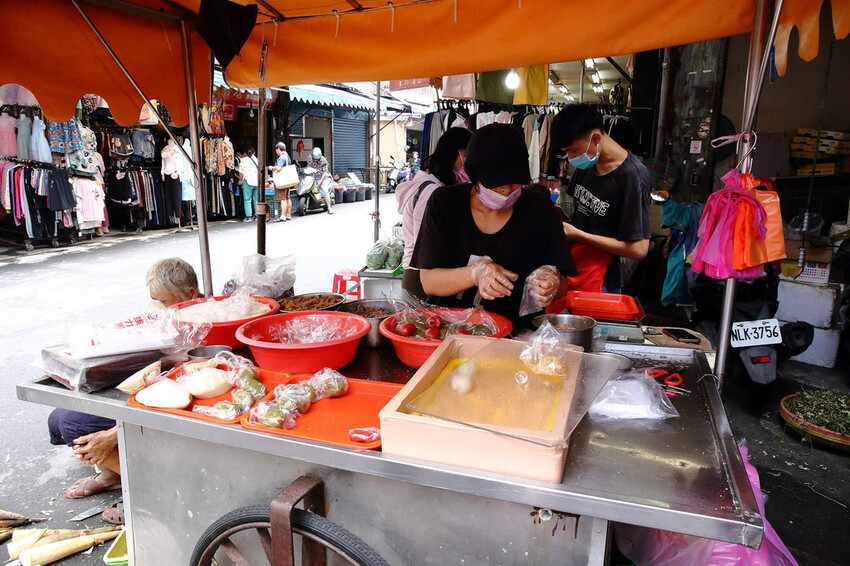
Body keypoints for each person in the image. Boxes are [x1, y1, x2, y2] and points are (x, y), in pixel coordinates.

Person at [48, 258, 199, 524]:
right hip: (148, 386)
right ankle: (113, 476)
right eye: (154, 300)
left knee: (73, 424)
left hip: (172, 404)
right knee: (57, 419)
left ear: (190, 294)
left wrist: (113, 433)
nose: (158, 307)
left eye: (164, 301)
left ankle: (146, 494)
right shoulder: (165, 316)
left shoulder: (202, 323)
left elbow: (186, 400)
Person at [411, 124, 576, 326]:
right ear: (474, 175)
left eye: (515, 181)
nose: (507, 189)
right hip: (450, 330)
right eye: (496, 182)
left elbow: (563, 285)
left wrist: (550, 284)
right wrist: (476, 272)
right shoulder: (445, 203)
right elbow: (429, 281)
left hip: (516, 335)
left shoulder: (540, 209)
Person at [551, 103, 651, 294]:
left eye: (572, 150)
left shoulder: (632, 176)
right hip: (573, 268)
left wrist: (579, 236)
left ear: (595, 138)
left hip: (602, 280)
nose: (570, 157)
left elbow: (639, 249)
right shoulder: (586, 164)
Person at [396, 127, 472, 300]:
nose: (467, 165)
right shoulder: (431, 191)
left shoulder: (431, 183)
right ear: (454, 154)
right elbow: (425, 241)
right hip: (421, 277)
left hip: (428, 273)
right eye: (466, 156)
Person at [306, 147, 333, 214]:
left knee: (325, 190)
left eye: (317, 160)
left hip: (322, 178)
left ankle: (329, 207)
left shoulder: (323, 160)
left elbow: (324, 173)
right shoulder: (310, 158)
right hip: (313, 177)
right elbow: (309, 168)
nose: (315, 161)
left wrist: (319, 183)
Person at [271, 141, 292, 222]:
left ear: (278, 149)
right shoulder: (288, 157)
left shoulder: (282, 157)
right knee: (287, 198)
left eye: (276, 150)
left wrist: (271, 167)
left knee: (282, 198)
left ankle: (283, 216)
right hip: (287, 180)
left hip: (282, 181)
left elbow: (279, 168)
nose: (276, 152)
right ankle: (288, 215)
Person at [237, 147, 260, 222]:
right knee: (256, 199)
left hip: (248, 181)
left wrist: (240, 180)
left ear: (246, 153)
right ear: (254, 153)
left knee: (247, 199)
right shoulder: (257, 160)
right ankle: (256, 215)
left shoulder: (243, 160)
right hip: (257, 181)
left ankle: (248, 216)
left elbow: (241, 172)